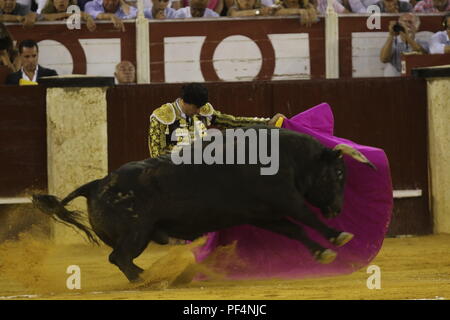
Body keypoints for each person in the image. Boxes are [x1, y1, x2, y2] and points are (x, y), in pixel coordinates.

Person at [148, 83, 285, 158]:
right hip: (174, 171)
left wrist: (266, 123)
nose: (198, 111)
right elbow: (156, 154)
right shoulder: (162, 116)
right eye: (196, 107)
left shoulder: (203, 110)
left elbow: (232, 122)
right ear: (185, 102)